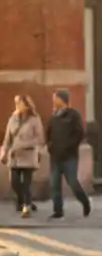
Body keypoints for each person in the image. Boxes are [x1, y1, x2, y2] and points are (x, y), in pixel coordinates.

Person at [46, 89, 90, 220]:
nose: (53, 101)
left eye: (55, 98)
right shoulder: (53, 116)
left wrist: (69, 146)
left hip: (69, 156)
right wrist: (49, 146)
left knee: (72, 182)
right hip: (55, 156)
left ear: (62, 99)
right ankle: (58, 210)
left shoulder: (73, 115)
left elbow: (79, 133)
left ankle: (85, 202)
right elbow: (48, 133)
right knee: (54, 184)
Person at [1, 95, 44, 218]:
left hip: (28, 155)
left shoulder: (34, 119)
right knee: (14, 182)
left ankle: (25, 207)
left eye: (20, 103)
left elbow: (39, 138)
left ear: (26, 104)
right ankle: (26, 200)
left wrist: (25, 145)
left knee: (26, 183)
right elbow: (7, 138)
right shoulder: (13, 118)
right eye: (16, 103)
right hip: (14, 156)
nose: (18, 105)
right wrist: (4, 151)